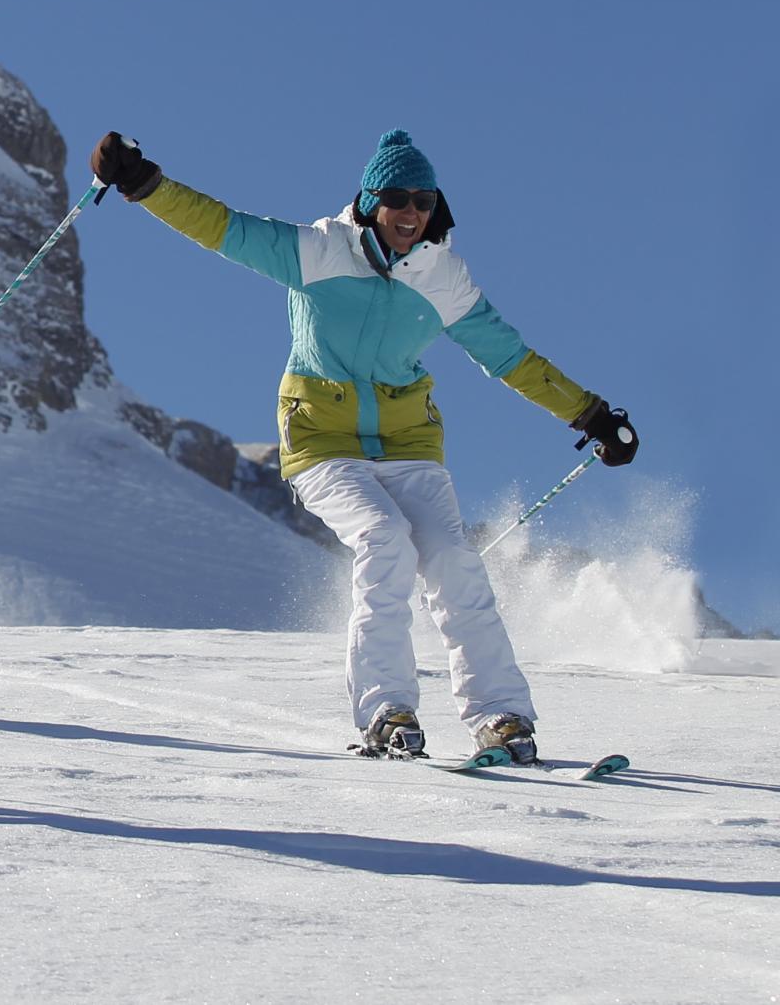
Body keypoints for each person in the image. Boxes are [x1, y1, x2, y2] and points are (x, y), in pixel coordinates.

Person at [89, 127, 639, 764]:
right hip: (321, 439)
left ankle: (502, 717)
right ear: (371, 200)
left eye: (424, 202)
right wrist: (143, 184)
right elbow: (223, 228)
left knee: (453, 561)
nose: (411, 213)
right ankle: (386, 710)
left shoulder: (445, 277)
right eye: (398, 199)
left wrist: (591, 414)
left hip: (409, 440)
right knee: (383, 538)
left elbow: (510, 357)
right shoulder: (317, 250)